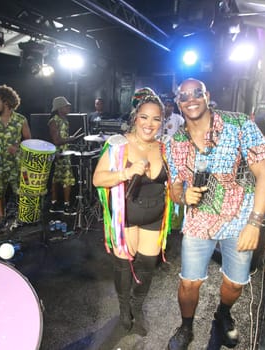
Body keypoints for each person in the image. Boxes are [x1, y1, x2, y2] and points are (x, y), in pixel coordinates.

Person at [166, 78, 265, 349]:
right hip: (199, 219)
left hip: (240, 218)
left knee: (235, 284)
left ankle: (223, 315)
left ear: (207, 95)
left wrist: (254, 223)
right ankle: (186, 326)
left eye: (196, 93)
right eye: (184, 95)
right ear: (178, 102)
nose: (190, 99)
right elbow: (174, 188)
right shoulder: (174, 141)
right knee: (189, 282)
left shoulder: (239, 124)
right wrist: (182, 196)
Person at [93, 87, 172, 336]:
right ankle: (123, 307)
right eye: (145, 117)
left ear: (162, 121)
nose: (150, 124)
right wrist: (126, 173)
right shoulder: (118, 145)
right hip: (125, 218)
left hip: (154, 217)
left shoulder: (165, 148)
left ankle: (138, 307)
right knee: (124, 266)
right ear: (135, 117)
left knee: (147, 266)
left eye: (156, 118)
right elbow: (97, 179)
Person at [0, 85, 31, 224]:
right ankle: (2, 216)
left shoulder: (21, 119)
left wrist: (17, 146)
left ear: (6, 102)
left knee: (20, 191)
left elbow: (28, 140)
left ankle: (22, 217)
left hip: (16, 163)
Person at [48, 96, 81, 215]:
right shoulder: (54, 120)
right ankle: (66, 206)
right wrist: (71, 139)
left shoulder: (65, 120)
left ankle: (55, 204)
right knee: (66, 179)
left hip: (64, 153)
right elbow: (56, 140)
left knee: (57, 179)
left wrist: (70, 140)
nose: (69, 107)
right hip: (59, 154)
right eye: (66, 106)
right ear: (59, 108)